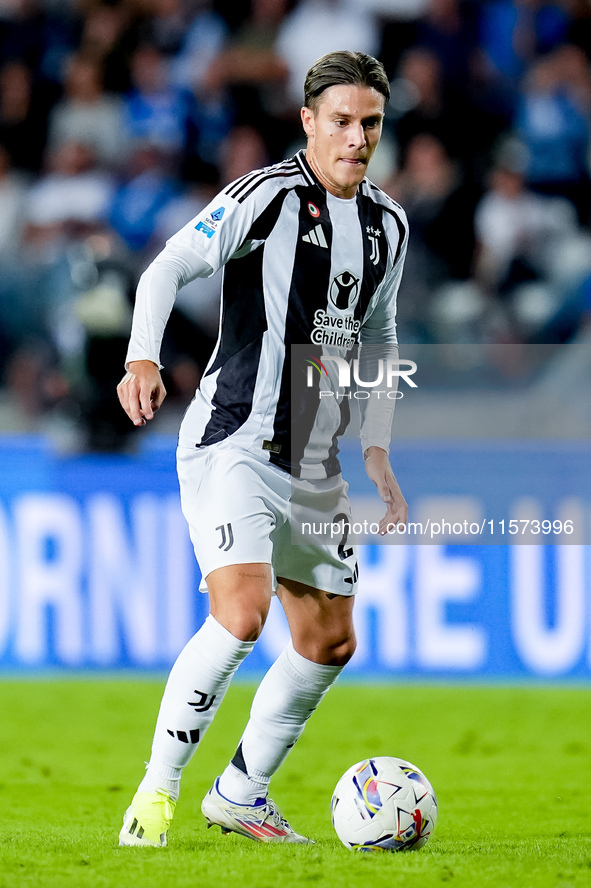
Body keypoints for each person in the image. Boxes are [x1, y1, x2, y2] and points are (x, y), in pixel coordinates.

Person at [116, 49, 409, 847]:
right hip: (234, 440)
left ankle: (241, 793)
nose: (356, 137)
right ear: (308, 120)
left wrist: (376, 447)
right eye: (342, 121)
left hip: (313, 462)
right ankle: (155, 793)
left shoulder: (387, 223)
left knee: (330, 640)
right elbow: (169, 265)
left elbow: (379, 329)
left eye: (370, 123)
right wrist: (143, 355)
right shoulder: (267, 197)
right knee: (241, 616)